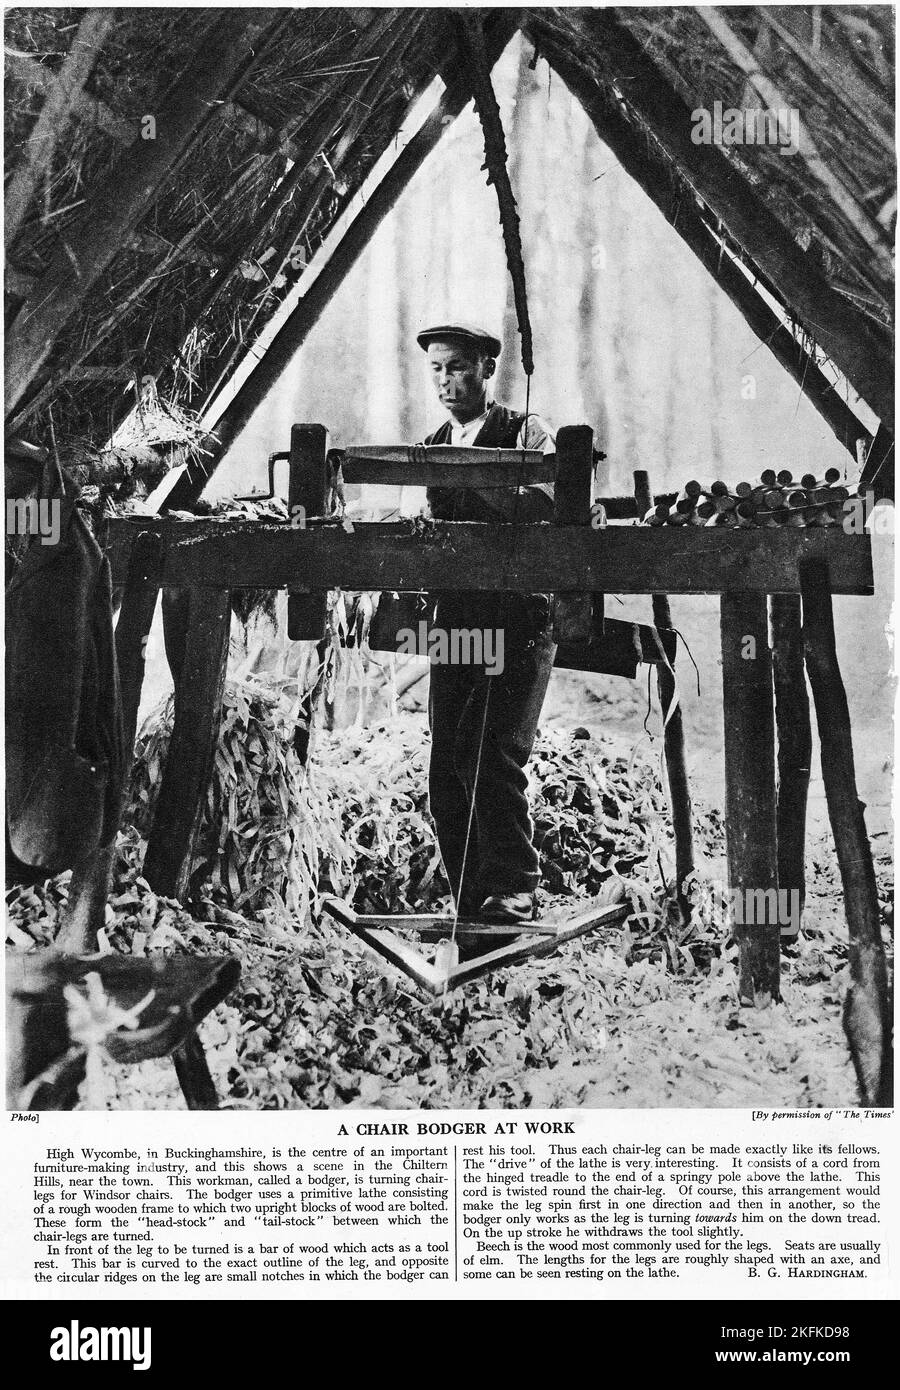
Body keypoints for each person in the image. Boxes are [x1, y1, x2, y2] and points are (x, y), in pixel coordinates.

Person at [416, 321, 557, 939]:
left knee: (492, 748)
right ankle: (470, 897)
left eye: (458, 368)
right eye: (438, 370)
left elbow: (549, 507)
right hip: (456, 619)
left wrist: (473, 475)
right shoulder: (431, 443)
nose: (447, 381)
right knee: (446, 758)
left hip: (517, 615)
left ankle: (515, 888)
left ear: (485, 370)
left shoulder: (526, 432)